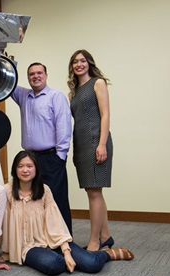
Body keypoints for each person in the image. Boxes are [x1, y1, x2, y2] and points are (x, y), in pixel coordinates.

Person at [0, 151, 134, 276]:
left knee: (91, 264)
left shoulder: (44, 190)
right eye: (20, 166)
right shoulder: (7, 191)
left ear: (36, 169)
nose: (25, 170)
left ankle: (106, 254)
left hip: (53, 240)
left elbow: (56, 222)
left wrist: (66, 251)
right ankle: (60, 257)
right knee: (54, 265)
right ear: (14, 170)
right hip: (28, 248)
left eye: (29, 166)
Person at [11, 62, 73, 234]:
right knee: (34, 201)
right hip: (30, 159)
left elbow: (64, 127)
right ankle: (40, 238)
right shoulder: (23, 96)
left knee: (56, 200)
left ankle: (64, 241)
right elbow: (8, 84)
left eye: (39, 73)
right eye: (31, 74)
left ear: (46, 75)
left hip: (51, 157)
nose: (35, 76)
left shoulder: (56, 96)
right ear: (28, 77)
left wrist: (60, 156)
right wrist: (8, 63)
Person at [67, 50, 114, 251]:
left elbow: (105, 115)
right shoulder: (73, 92)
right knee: (92, 191)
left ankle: (95, 240)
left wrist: (101, 144)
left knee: (95, 192)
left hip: (97, 142)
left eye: (82, 61)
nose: (79, 64)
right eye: (75, 62)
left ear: (89, 63)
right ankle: (105, 235)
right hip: (81, 145)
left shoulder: (98, 83)